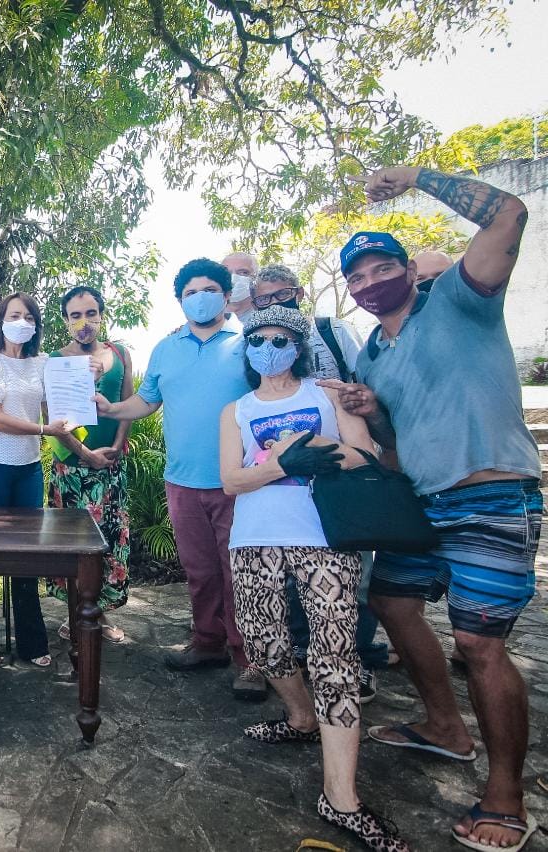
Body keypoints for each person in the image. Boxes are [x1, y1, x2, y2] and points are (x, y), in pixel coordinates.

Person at [324, 166, 540, 852]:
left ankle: (506, 794)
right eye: (357, 278)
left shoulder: (460, 300)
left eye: (382, 268)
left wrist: (415, 177)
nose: (369, 283)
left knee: (479, 643)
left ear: (410, 270)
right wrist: (371, 411)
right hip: (420, 504)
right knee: (391, 604)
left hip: (490, 493)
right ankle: (445, 727)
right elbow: (394, 443)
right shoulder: (373, 358)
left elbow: (508, 213)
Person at [219, 306, 407, 851]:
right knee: (263, 643)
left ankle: (340, 797)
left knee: (334, 656)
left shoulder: (325, 395)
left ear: (298, 347)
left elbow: (365, 454)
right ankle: (300, 717)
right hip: (254, 538)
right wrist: (285, 462)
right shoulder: (236, 410)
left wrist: (310, 451)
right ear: (248, 348)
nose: (269, 348)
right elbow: (231, 480)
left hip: (325, 536)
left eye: (281, 339)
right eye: (259, 339)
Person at [96, 258, 265, 700]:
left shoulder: (250, 342)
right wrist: (111, 409)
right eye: (190, 292)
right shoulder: (166, 348)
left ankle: (251, 660)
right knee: (200, 570)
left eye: (209, 290)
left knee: (241, 573)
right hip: (183, 480)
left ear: (226, 296)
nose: (200, 298)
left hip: (240, 480)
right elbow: (147, 400)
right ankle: (207, 643)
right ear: (180, 300)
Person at [249, 265, 388, 702]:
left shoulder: (332, 331)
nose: (274, 304)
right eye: (264, 299)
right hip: (289, 485)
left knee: (354, 575)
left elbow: (366, 385)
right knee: (292, 582)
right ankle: (302, 657)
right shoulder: (256, 349)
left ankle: (356, 660)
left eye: (282, 295)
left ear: (298, 293)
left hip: (342, 475)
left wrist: (348, 419)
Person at [0, 292, 73, 666]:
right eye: (14, 316)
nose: (21, 323)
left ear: (37, 326)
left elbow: (61, 409)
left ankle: (32, 643)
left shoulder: (43, 363)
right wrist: (43, 429)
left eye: (29, 317)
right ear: (0, 321)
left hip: (28, 469)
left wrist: (85, 380)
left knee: (28, 557)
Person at [45, 285, 132, 644]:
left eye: (91, 313)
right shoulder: (55, 360)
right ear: (66, 321)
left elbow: (127, 403)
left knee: (107, 541)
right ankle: (73, 614)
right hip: (72, 468)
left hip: (112, 465)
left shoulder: (120, 354)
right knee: (75, 545)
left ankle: (99, 614)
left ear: (101, 316)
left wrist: (117, 445)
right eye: (76, 315)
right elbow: (54, 419)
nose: (84, 322)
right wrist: (86, 454)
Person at [222, 252, 259, 321]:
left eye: (243, 272)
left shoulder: (266, 316)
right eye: (226, 273)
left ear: (256, 277)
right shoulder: (207, 315)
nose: (233, 279)